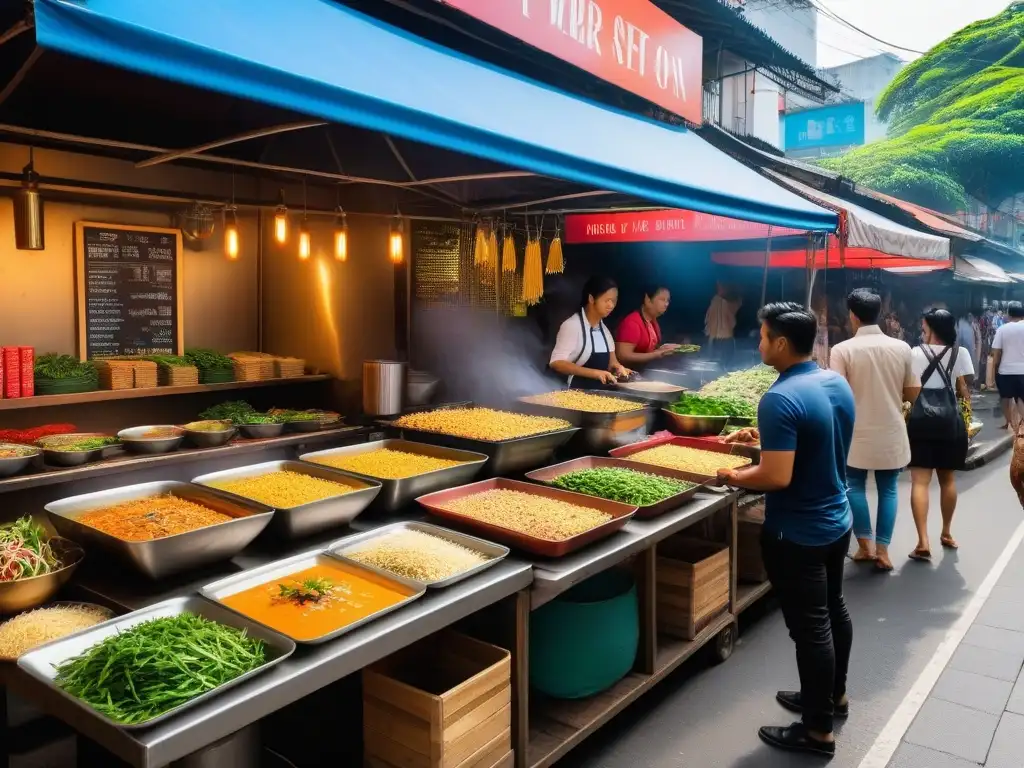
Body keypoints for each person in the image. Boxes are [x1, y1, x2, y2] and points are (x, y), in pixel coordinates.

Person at [719, 302, 855, 758]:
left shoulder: (778, 398)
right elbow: (820, 438)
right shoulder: (833, 381)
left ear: (780, 343)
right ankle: (831, 696)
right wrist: (762, 440)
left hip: (798, 533)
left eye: (761, 336)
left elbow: (777, 478)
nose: (757, 344)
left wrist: (733, 476)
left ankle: (817, 732)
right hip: (837, 520)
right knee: (833, 610)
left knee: (811, 629)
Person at [829, 289, 920, 572]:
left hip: (855, 433)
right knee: (889, 489)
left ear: (853, 316)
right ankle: (883, 551)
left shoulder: (842, 350)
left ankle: (864, 546)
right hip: (891, 431)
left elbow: (836, 395)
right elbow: (912, 393)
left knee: (854, 485)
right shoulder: (902, 348)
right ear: (878, 314)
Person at [908, 308, 973, 560]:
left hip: (921, 423)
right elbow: (963, 388)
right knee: (948, 480)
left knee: (920, 482)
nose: (921, 329)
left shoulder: (913, 352)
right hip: (950, 423)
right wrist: (967, 418)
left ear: (931, 327)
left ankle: (923, 541)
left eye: (924, 326)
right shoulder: (961, 353)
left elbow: (910, 389)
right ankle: (946, 532)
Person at [549, 276, 633, 388]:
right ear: (591, 299)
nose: (611, 306)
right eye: (607, 300)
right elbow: (557, 363)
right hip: (571, 394)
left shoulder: (605, 332)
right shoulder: (572, 326)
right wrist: (595, 373)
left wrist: (618, 368)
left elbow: (612, 363)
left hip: (598, 395)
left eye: (614, 301)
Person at [615, 285, 680, 369]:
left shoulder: (653, 321)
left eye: (668, 300)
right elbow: (623, 356)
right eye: (662, 299)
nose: (666, 304)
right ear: (647, 300)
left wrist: (663, 348)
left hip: (645, 372)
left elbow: (649, 350)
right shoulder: (632, 322)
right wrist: (656, 354)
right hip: (628, 374)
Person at [993, 301, 1024, 430]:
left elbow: (997, 352)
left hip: (1005, 371)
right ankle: (1020, 427)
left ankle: (1009, 423)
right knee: (1021, 398)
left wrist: (995, 368)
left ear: (1008, 313)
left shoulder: (1002, 329)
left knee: (1005, 398)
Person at [705, 281, 741, 368]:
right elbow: (731, 319)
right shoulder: (723, 302)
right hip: (725, 337)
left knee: (720, 359)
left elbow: (707, 318)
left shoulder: (714, 301)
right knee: (726, 358)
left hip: (715, 337)